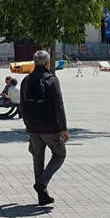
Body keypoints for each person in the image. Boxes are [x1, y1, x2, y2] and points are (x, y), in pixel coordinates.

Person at [19, 50, 68, 206]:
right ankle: (42, 183)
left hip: (33, 127)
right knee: (60, 154)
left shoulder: (26, 80)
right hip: (50, 127)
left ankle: (42, 196)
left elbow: (22, 105)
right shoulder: (51, 80)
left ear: (34, 63)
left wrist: (27, 124)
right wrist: (63, 128)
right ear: (47, 63)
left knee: (37, 159)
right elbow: (58, 105)